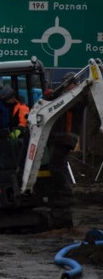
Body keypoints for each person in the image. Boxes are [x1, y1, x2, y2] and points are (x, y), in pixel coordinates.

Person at [46, 72, 83, 209]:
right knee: (60, 165)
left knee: (55, 166)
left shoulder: (77, 98)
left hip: (65, 137)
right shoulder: (66, 96)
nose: (67, 86)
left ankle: (65, 195)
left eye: (69, 83)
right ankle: (64, 193)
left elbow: (66, 105)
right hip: (58, 137)